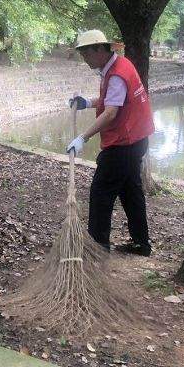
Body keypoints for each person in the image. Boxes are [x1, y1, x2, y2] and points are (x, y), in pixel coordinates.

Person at [66, 30, 155, 256]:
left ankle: (98, 247)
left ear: (99, 50)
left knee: (101, 192)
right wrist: (87, 103)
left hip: (124, 143)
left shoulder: (116, 74)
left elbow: (111, 112)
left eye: (86, 53)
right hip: (137, 139)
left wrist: (82, 138)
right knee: (130, 190)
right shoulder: (119, 66)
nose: (84, 58)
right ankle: (141, 243)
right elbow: (111, 101)